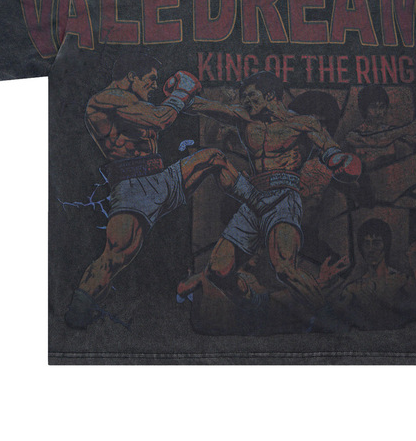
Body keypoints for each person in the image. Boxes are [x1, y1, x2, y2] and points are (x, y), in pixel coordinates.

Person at [64, 49, 266, 328]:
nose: (154, 85)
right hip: (133, 187)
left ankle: (260, 204)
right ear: (131, 76)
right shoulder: (107, 99)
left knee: (214, 158)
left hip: (161, 178)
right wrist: (182, 91)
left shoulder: (137, 102)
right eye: (150, 79)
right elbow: (161, 119)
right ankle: (77, 314)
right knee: (114, 258)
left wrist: (243, 114)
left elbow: (187, 107)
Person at [176, 71, 361, 317]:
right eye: (243, 97)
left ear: (270, 95)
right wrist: (181, 95)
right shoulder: (245, 118)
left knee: (284, 267)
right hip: (254, 197)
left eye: (251, 96)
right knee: (218, 271)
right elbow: (208, 107)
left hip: (283, 196)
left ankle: (329, 318)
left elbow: (330, 150)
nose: (246, 102)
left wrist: (339, 159)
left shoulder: (302, 123)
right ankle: (257, 304)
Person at [335, 218, 416, 329]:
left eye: (376, 243)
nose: (371, 249)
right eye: (366, 244)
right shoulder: (354, 288)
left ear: (386, 245)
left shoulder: (400, 280)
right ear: (361, 247)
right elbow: (338, 316)